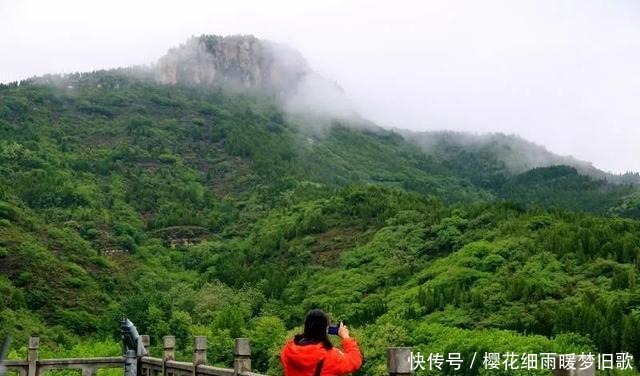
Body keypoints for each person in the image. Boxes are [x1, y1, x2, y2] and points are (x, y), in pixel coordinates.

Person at [280, 309, 362, 376]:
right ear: (325, 329)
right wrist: (346, 337)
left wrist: (308, 332)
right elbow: (354, 362)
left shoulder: (288, 350)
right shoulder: (330, 355)